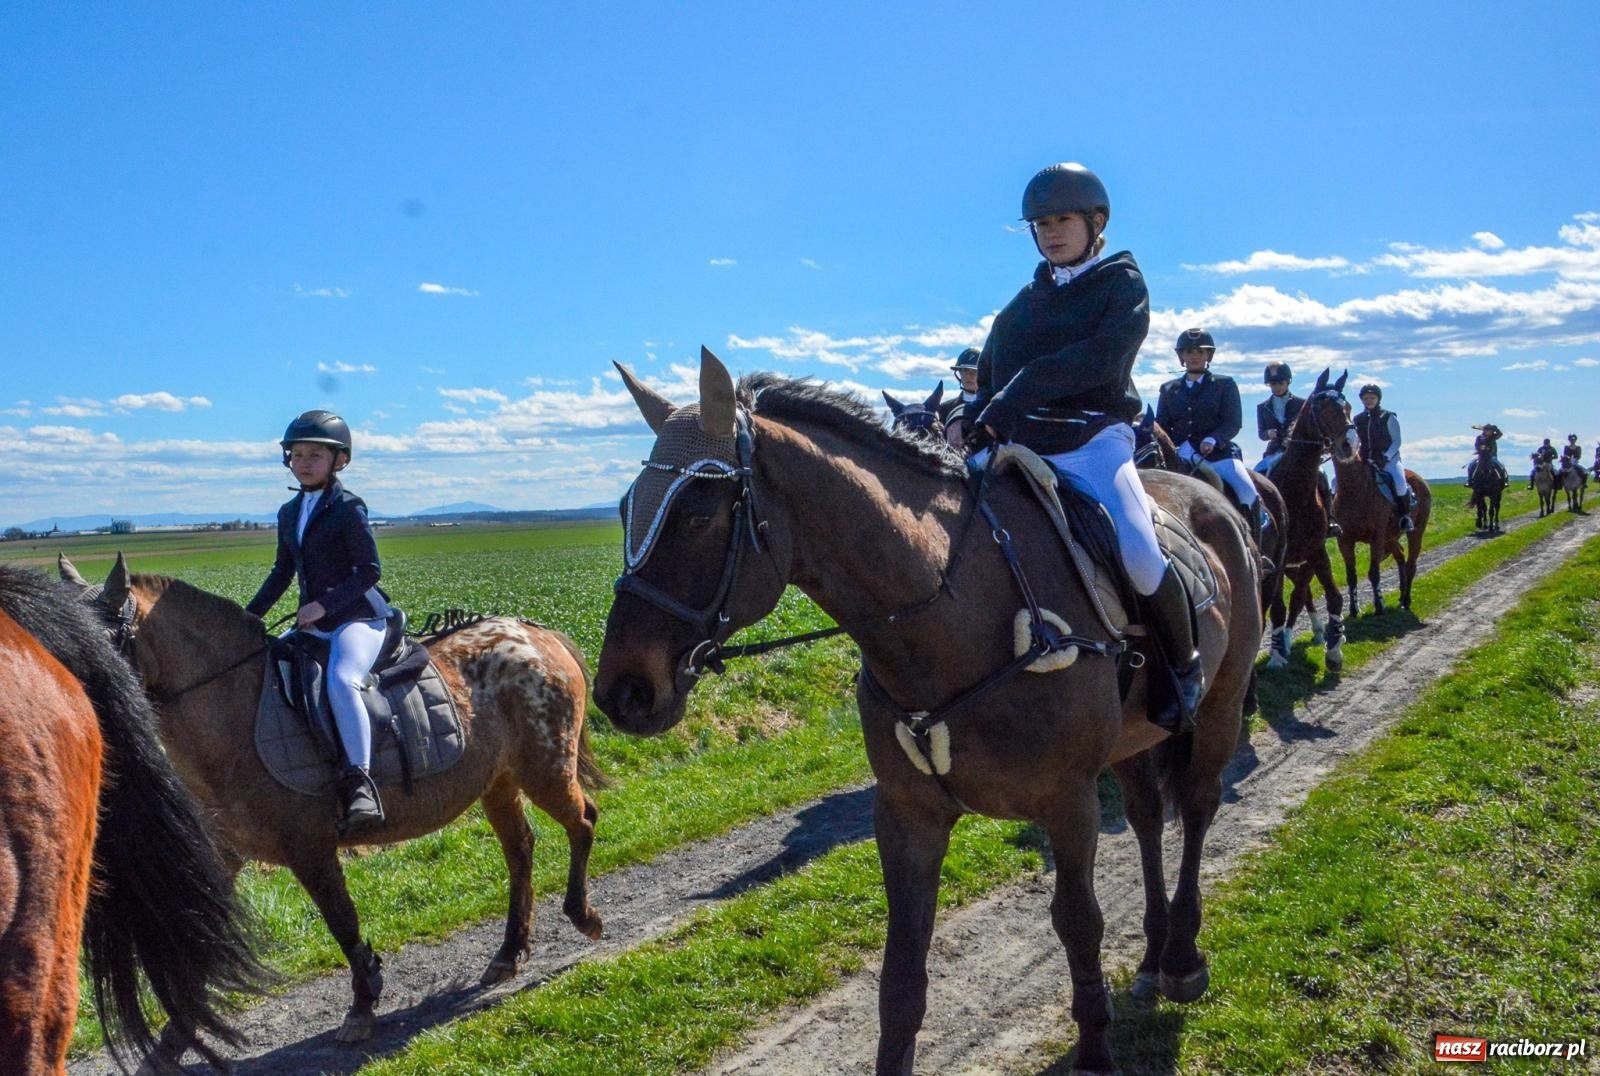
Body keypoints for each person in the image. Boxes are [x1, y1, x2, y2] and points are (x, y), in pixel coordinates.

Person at [966, 161, 1202, 731]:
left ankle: (1184, 666)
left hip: (1094, 440)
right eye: (1041, 222)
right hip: (1026, 443)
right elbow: (993, 380)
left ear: (1096, 222)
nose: (1051, 231)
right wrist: (968, 420)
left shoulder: (1121, 284)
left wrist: (1011, 399)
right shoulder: (1021, 306)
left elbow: (1097, 359)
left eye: (1063, 218)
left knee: (1142, 556)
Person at [246, 410, 392, 833]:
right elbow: (281, 573)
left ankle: (360, 781)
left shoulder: (349, 508)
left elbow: (369, 571)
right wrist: (247, 618)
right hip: (315, 620)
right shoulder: (289, 512)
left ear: (338, 461)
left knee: (342, 679)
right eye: (297, 454)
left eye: (315, 454)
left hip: (358, 618)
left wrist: (323, 607)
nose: (304, 462)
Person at [1155, 329, 1262, 539]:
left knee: (1248, 491)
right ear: (1181, 356)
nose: (1195, 356)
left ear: (1208, 356)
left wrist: (1213, 439)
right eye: (1189, 351)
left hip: (1217, 454)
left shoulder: (1225, 385)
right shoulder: (1168, 389)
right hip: (1179, 454)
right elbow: (1162, 425)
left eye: (1201, 351)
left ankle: (1256, 547)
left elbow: (1233, 422)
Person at [1255, 362, 1340, 537]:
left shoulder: (1302, 404)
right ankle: (1260, 519)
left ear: (1288, 382)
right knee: (1257, 475)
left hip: (1300, 453)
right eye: (1273, 384)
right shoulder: (1262, 407)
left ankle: (1330, 518)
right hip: (1275, 451)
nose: (1276, 387)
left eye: (1280, 383)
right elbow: (1261, 434)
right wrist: (1268, 433)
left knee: (1321, 474)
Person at [1351, 384, 1416, 533]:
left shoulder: (1388, 416)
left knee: (1400, 483)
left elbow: (1397, 441)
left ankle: (1405, 517)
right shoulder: (1358, 419)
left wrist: (1385, 457)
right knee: (1337, 482)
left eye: (1372, 398)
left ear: (1378, 399)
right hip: (1365, 459)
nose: (1369, 401)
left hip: (1389, 459)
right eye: (1366, 398)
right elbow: (1356, 441)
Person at [940, 348, 980, 452]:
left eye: (974, 371)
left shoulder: (993, 407)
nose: (969, 375)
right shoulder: (944, 409)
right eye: (965, 370)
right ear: (959, 373)